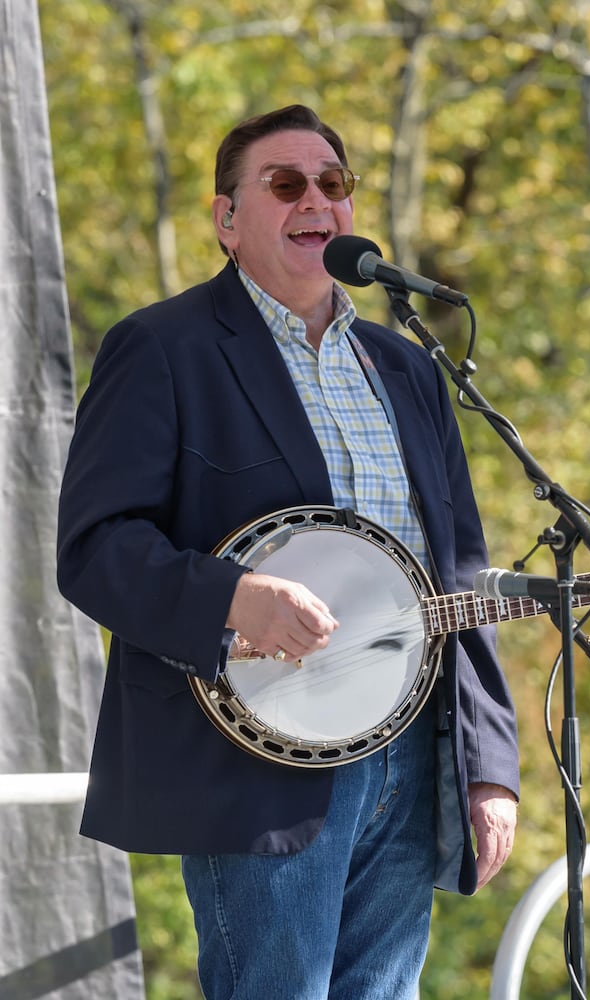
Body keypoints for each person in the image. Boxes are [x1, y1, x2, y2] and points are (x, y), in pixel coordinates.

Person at [56, 104, 520, 999]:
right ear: (227, 220)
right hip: (256, 757)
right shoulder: (162, 349)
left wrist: (488, 765)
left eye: (333, 184)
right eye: (285, 184)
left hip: (411, 750)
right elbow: (95, 548)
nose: (317, 200)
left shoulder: (408, 367)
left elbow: (458, 569)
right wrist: (233, 598)